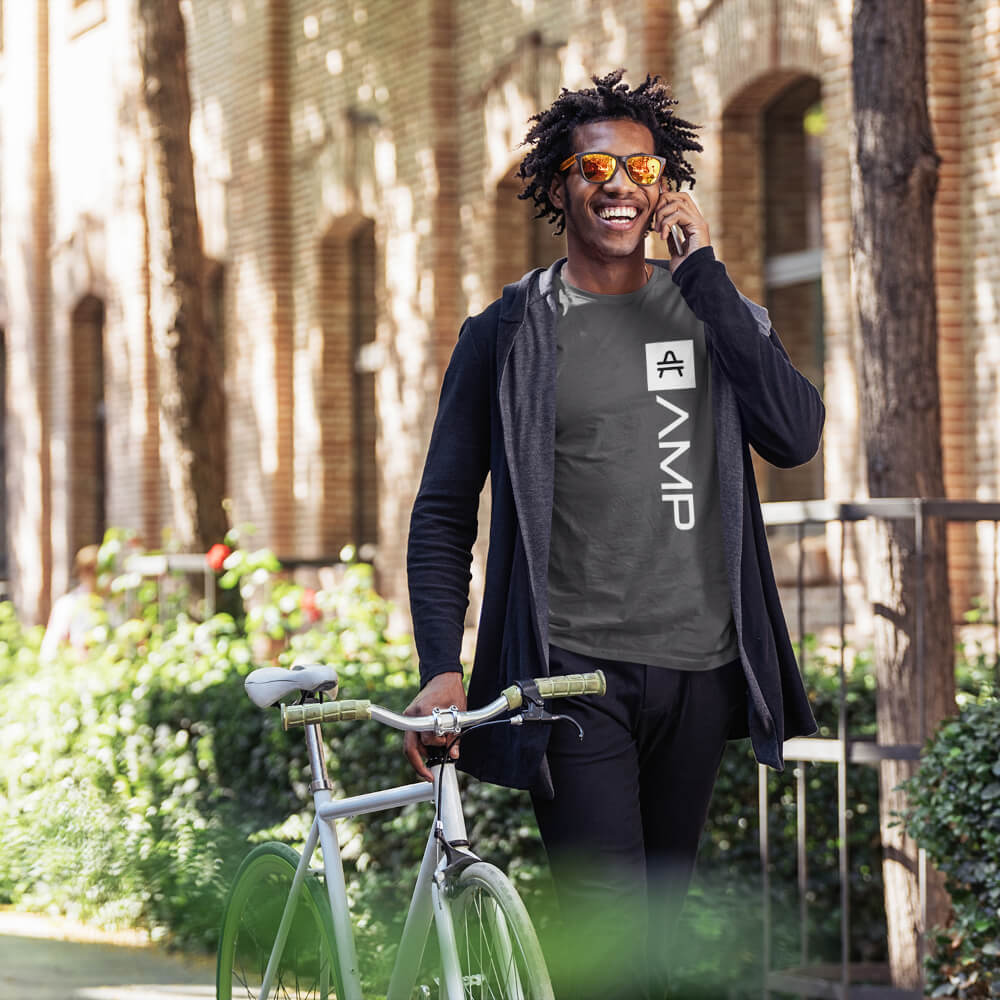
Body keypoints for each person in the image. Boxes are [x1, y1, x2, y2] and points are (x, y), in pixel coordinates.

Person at [403, 69, 825, 997]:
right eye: (594, 164)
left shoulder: (715, 313)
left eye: (639, 166)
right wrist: (443, 661)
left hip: (700, 677)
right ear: (559, 184)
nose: (617, 183)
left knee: (653, 953)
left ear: (664, 185)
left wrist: (704, 272)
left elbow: (794, 435)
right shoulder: (508, 334)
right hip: (570, 680)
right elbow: (442, 512)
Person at [39, 544, 105, 664]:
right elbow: (50, 649)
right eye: (96, 572)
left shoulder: (112, 603)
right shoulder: (68, 604)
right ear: (85, 572)